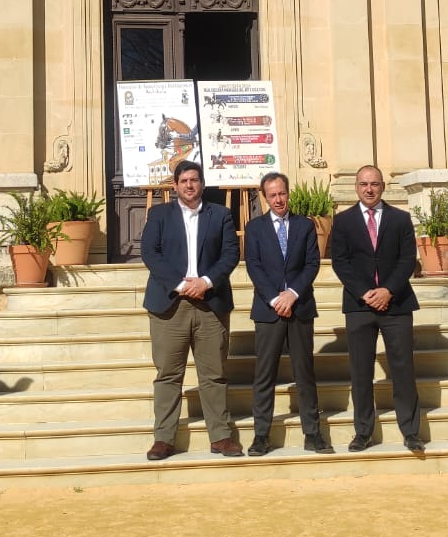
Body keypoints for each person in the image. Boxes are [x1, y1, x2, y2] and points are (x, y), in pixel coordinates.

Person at [139, 160, 242, 460]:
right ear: (174, 186)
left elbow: (230, 253)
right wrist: (180, 285)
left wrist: (206, 282)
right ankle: (164, 438)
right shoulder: (158, 214)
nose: (189, 185)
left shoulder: (220, 214)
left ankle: (221, 436)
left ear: (202, 183)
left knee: (214, 374)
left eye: (194, 180)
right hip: (170, 305)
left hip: (211, 304)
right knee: (168, 374)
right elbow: (150, 252)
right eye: (183, 180)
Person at [328, 165, 425, 453]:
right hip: (359, 306)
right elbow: (340, 261)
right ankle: (363, 432)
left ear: (382, 186)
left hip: (396, 304)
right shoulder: (343, 221)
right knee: (360, 372)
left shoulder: (401, 219)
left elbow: (408, 259)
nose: (369, 189)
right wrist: (365, 293)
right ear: (356, 188)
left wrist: (388, 290)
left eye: (374, 184)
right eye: (363, 184)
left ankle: (411, 431)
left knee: (403, 369)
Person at [242, 171, 331, 456]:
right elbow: (254, 266)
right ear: (264, 197)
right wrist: (274, 298)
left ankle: (313, 433)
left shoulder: (305, 226)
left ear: (288, 193)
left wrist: (292, 294)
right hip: (268, 311)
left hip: (300, 307)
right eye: (272, 195)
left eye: (282, 193)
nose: (278, 199)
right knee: (264, 374)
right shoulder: (254, 228)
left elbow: (312, 264)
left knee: (304, 371)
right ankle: (261, 435)